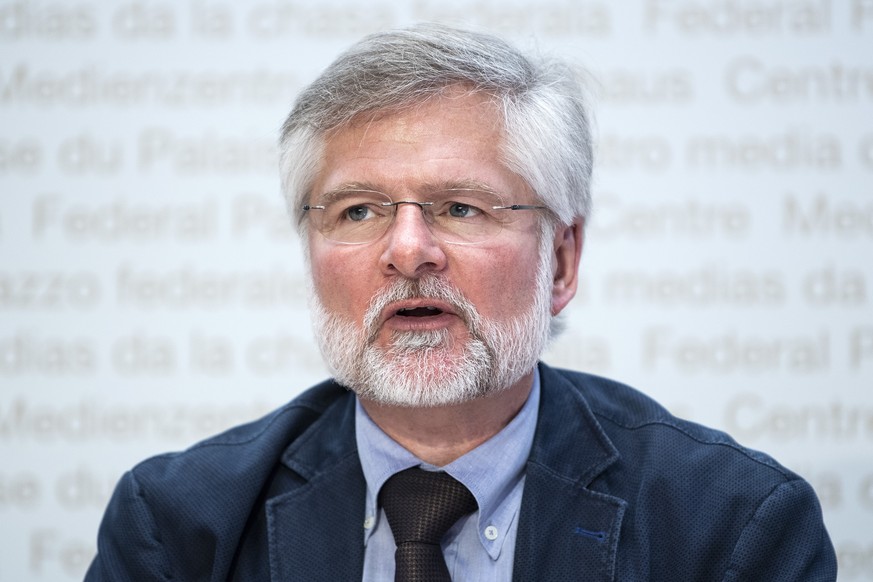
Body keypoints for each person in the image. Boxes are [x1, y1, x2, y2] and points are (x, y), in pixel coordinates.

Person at [85, 23, 837, 581]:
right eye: (357, 211)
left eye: (460, 206)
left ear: (561, 261)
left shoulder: (730, 525)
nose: (408, 250)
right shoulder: (177, 525)